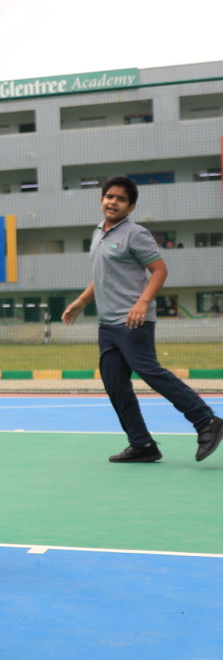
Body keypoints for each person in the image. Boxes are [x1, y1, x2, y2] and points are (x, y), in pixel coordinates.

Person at [62, 176, 222, 463]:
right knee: (114, 383)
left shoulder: (136, 234)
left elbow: (159, 270)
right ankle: (142, 444)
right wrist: (81, 302)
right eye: (110, 196)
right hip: (108, 325)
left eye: (121, 199)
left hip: (133, 321)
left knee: (150, 372)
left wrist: (142, 303)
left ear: (131, 207)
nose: (113, 202)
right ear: (101, 200)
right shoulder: (99, 233)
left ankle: (206, 421)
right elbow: (103, 277)